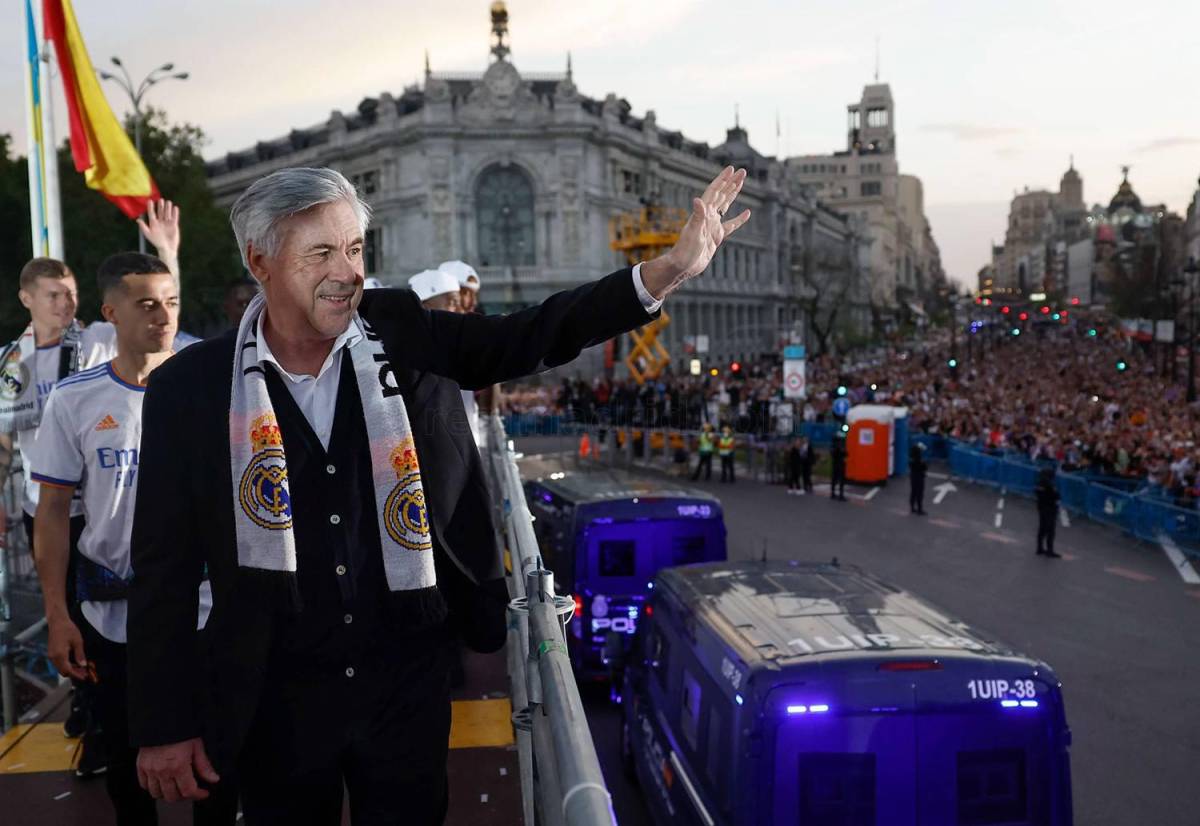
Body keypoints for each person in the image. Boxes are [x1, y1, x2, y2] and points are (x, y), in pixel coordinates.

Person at [127, 164, 750, 824]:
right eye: (320, 253)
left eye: (355, 249)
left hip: (405, 681)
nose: (346, 273)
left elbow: (527, 335)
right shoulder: (190, 390)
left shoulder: (399, 329)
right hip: (273, 696)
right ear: (261, 262)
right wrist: (163, 724)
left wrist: (664, 272)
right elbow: (163, 567)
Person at [30, 252, 232, 825]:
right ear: (110, 313)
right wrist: (57, 614)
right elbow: (52, 513)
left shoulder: (216, 389)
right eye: (146, 304)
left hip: (206, 608)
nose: (162, 316)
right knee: (126, 768)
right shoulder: (75, 399)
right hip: (112, 615)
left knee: (219, 767)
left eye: (171, 302)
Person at [1035, 468, 1062, 557]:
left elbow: (1037, 493)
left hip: (1041, 507)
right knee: (1050, 530)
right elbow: (1056, 495)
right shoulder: (1049, 485)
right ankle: (1049, 550)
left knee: (1042, 528)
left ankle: (1039, 548)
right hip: (1050, 508)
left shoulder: (1039, 483)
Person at [909, 443, 928, 515]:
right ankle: (919, 509)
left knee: (913, 492)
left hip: (913, 476)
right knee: (919, 493)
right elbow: (925, 468)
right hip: (919, 477)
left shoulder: (911, 459)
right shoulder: (920, 460)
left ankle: (912, 507)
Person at [830, 433, 847, 501]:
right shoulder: (840, 446)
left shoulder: (833, 446)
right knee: (841, 480)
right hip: (840, 465)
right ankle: (840, 495)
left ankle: (833, 493)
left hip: (835, 464)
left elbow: (832, 454)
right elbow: (845, 453)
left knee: (834, 479)